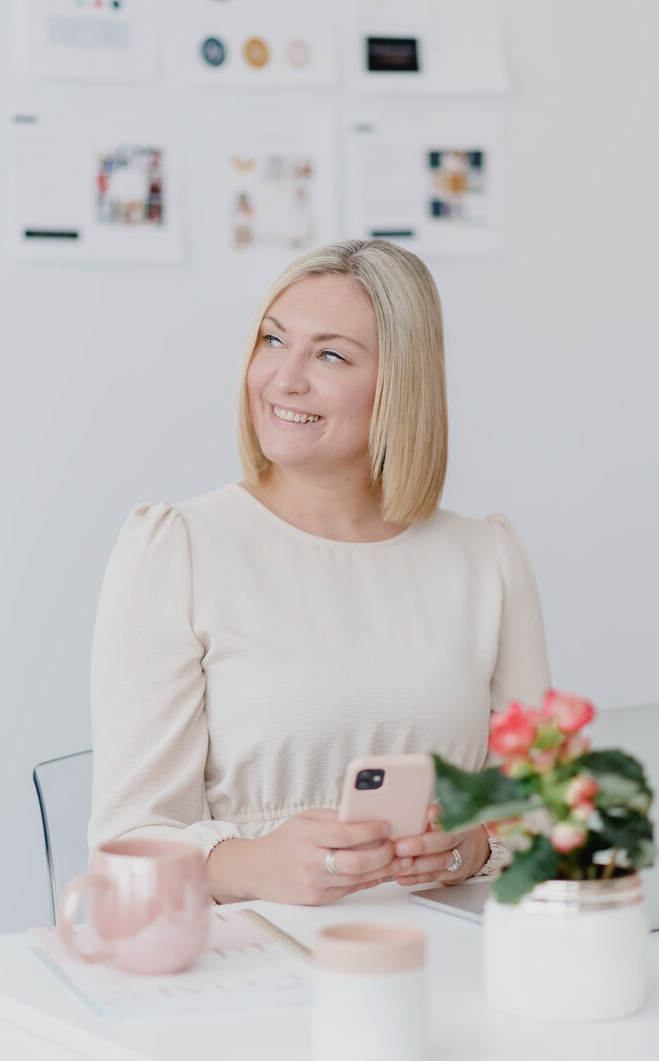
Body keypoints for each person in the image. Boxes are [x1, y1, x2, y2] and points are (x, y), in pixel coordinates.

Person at [88, 239, 551, 905]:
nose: (283, 378)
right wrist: (254, 863)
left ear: (400, 384)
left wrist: (469, 845)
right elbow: (124, 849)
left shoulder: (487, 559)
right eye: (272, 341)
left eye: (330, 354)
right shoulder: (179, 548)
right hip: (253, 960)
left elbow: (545, 807)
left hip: (454, 957)